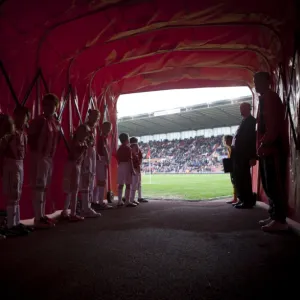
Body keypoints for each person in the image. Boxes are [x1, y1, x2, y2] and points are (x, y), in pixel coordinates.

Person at [254, 72, 289, 232]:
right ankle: (274, 215)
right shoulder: (264, 99)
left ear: (268, 81)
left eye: (258, 80)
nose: (256, 84)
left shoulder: (270, 98)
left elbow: (273, 125)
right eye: (254, 81)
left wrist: (265, 142)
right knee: (269, 185)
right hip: (267, 149)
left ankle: (280, 219)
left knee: (275, 184)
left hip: (273, 148)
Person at [28, 94, 61, 229]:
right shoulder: (39, 120)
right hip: (40, 156)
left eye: (51, 105)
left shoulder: (55, 121)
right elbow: (31, 138)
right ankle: (38, 217)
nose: (48, 107)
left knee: (44, 187)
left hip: (48, 157)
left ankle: (41, 215)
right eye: (45, 104)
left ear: (55, 107)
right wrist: (38, 154)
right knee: (39, 187)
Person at [0, 107, 31, 236]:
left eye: (25, 116)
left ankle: (16, 222)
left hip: (19, 163)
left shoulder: (23, 133)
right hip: (11, 163)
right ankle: (10, 224)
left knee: (17, 194)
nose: (22, 119)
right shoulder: (10, 133)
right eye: (20, 116)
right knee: (13, 194)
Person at [231, 102, 257, 209]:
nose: (240, 110)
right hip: (239, 155)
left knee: (244, 178)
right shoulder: (244, 121)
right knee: (239, 178)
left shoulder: (251, 121)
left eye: (242, 108)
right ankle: (242, 199)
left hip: (245, 155)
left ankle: (247, 201)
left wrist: (252, 156)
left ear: (248, 109)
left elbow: (251, 140)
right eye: (240, 108)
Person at [61, 125, 89, 221]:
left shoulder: (82, 142)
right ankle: (72, 213)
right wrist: (82, 150)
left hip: (76, 166)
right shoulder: (75, 142)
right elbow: (73, 156)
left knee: (71, 190)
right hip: (73, 166)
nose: (86, 135)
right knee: (73, 190)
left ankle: (65, 211)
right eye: (84, 133)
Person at [79, 109, 101, 218]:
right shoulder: (85, 127)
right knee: (86, 180)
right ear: (89, 115)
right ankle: (85, 208)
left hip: (91, 153)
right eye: (95, 116)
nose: (96, 118)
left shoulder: (94, 128)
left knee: (91, 179)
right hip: (86, 155)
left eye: (98, 116)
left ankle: (87, 206)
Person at [93, 121, 113, 210]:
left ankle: (95, 201)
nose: (109, 130)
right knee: (101, 181)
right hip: (101, 160)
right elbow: (103, 149)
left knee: (100, 182)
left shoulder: (103, 137)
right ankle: (99, 201)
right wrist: (107, 159)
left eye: (110, 129)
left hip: (100, 160)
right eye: (108, 128)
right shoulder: (101, 138)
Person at [117, 133, 137, 207]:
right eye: (128, 138)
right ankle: (127, 201)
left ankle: (119, 201)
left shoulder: (119, 148)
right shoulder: (128, 148)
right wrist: (132, 169)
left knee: (120, 184)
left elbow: (118, 159)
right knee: (128, 184)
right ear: (126, 140)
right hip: (127, 165)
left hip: (120, 166)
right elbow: (130, 159)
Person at [130, 137, 148, 203]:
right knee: (136, 183)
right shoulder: (133, 149)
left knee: (133, 184)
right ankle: (135, 198)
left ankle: (132, 198)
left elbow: (140, 158)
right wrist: (138, 165)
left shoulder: (132, 149)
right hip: (135, 168)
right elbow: (140, 159)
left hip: (133, 168)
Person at [223, 135, 238, 205]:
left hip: (235, 168)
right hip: (232, 168)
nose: (226, 141)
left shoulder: (233, 148)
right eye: (225, 140)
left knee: (236, 183)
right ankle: (235, 198)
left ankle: (236, 199)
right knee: (234, 183)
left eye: (228, 140)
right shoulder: (229, 148)